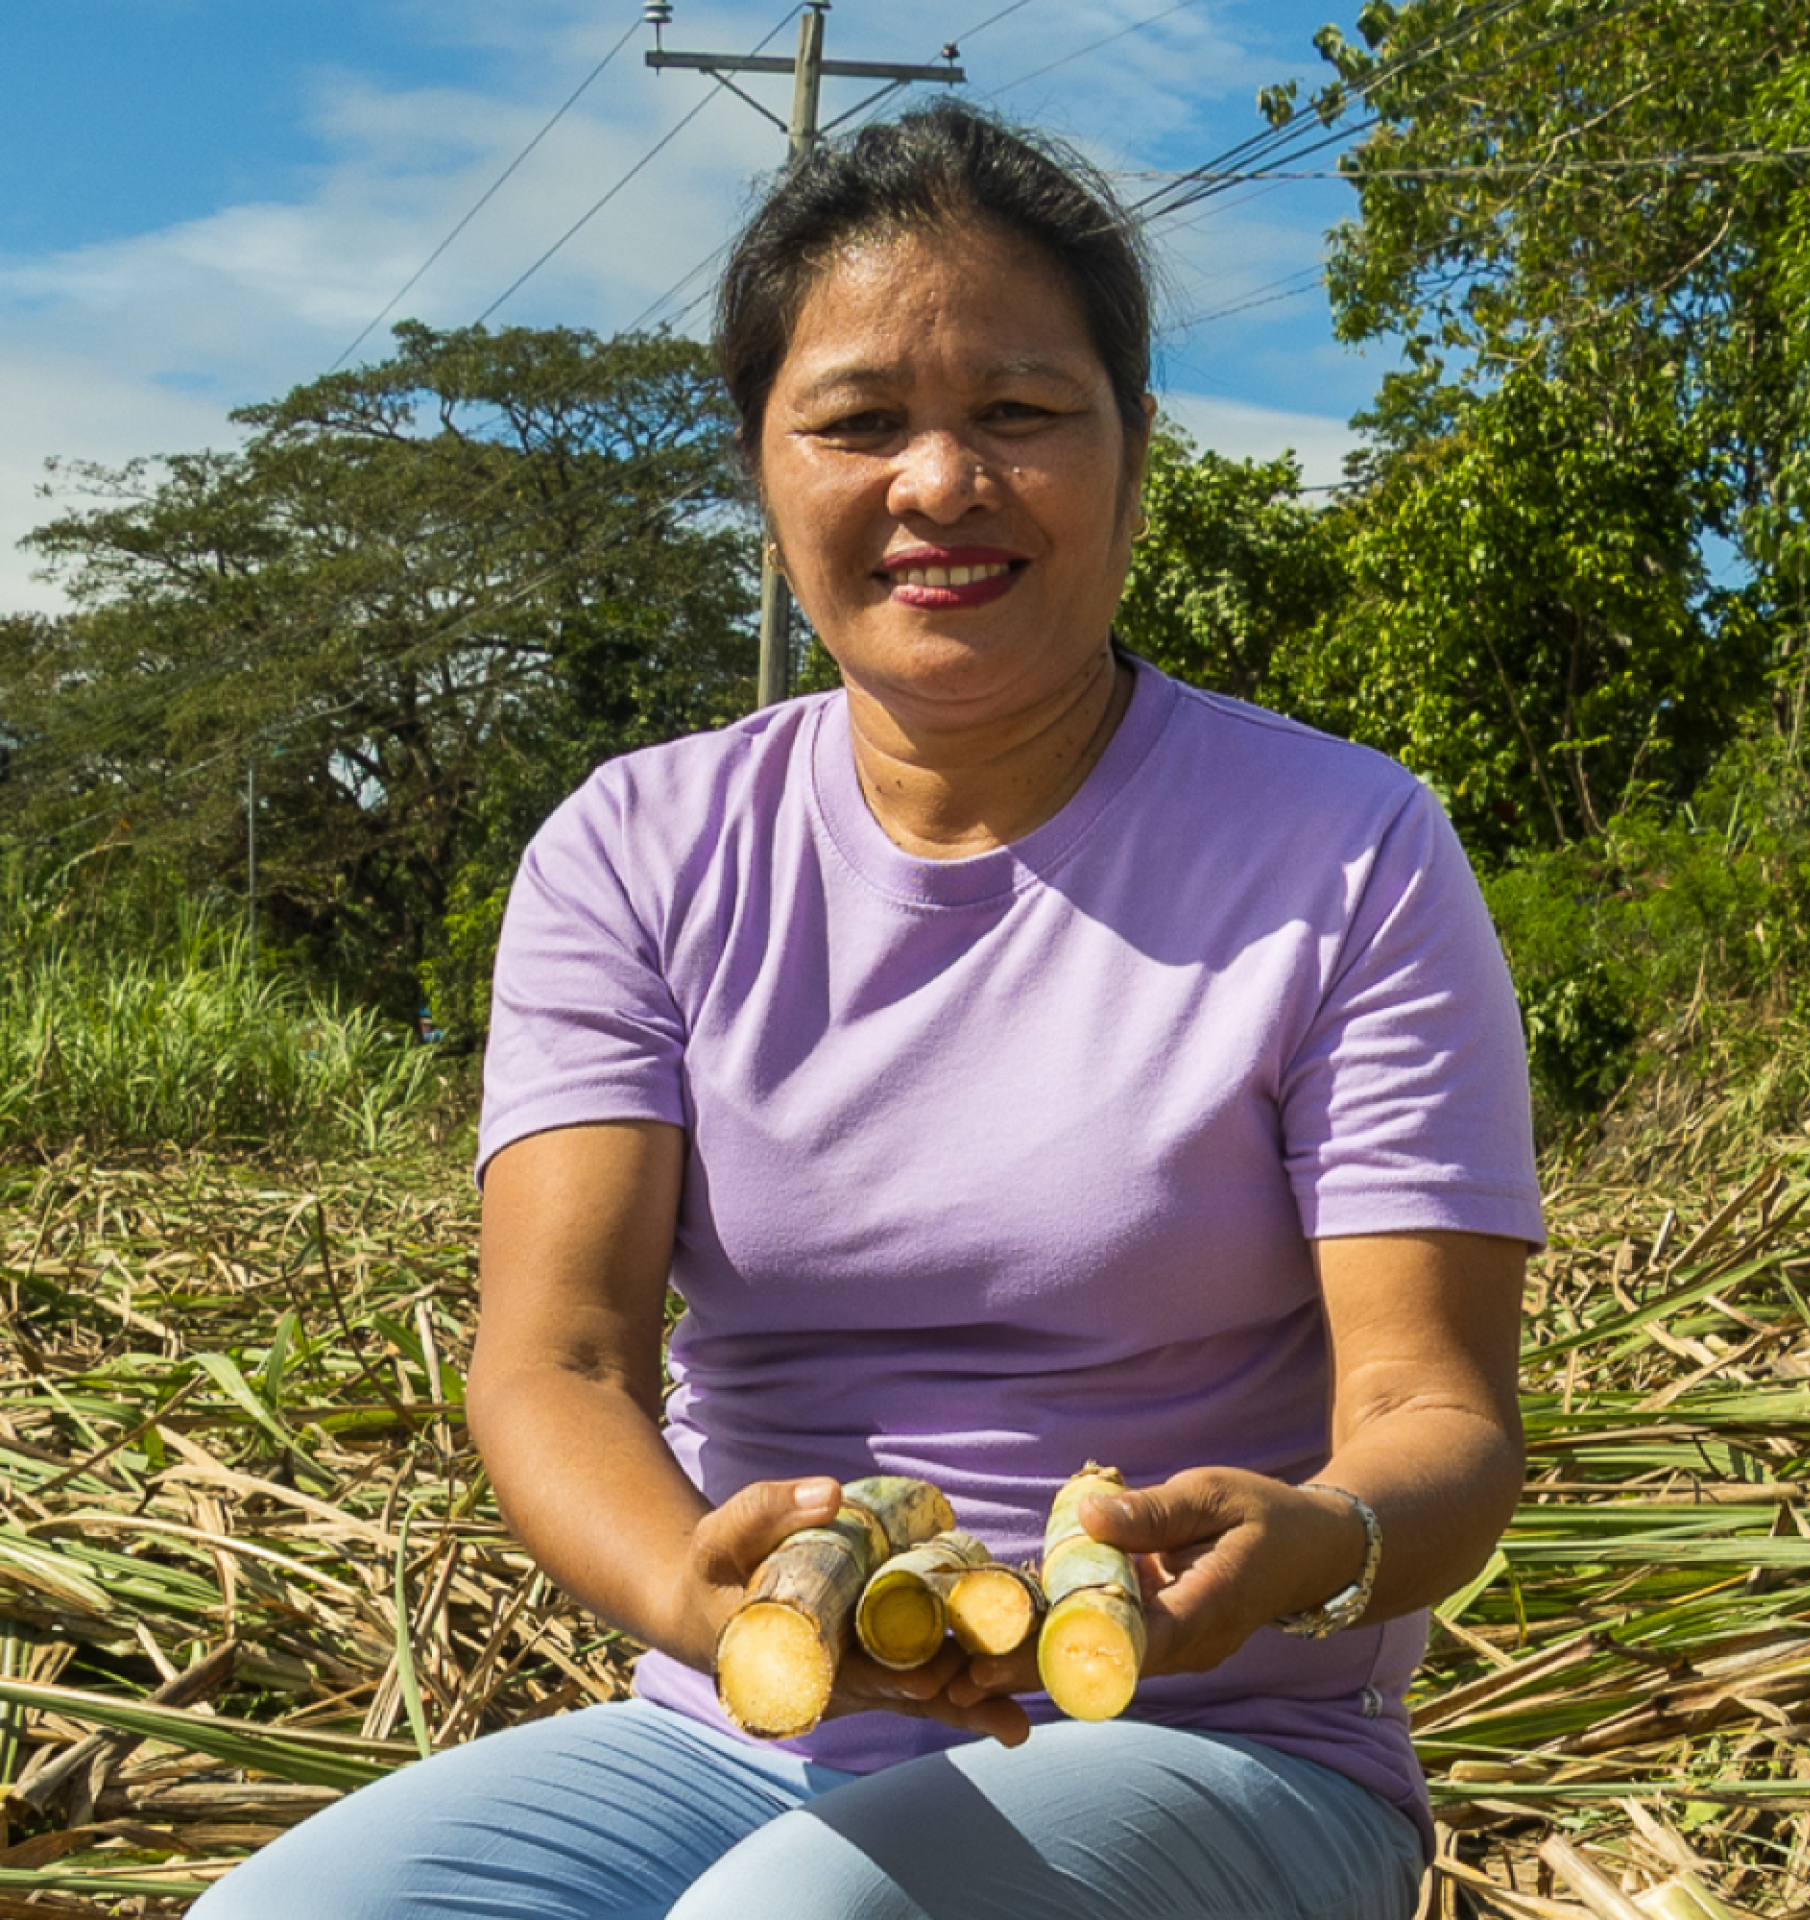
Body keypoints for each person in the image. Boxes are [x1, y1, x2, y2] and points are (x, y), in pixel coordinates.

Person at [193, 102, 1542, 1919]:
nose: (939, 483)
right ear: (763, 472)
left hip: (1219, 1746)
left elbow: (1434, 1411)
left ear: (1135, 451)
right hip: (736, 1728)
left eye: (1019, 412)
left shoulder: (1346, 848)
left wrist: (1324, 1541)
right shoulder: (634, 849)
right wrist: (702, 1593)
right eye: (855, 421)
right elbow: (557, 1362)